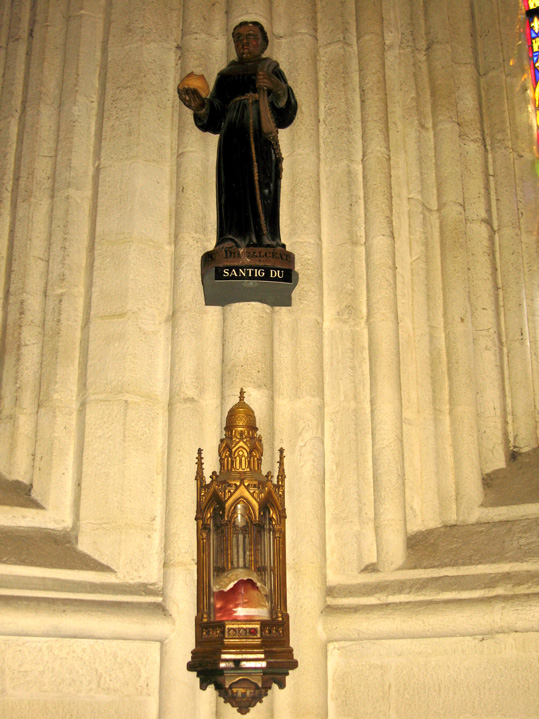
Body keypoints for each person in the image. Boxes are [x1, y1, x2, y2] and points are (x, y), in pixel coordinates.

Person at [178, 21, 298, 249]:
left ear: (263, 43)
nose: (244, 42)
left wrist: (278, 88)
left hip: (261, 138)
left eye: (251, 36)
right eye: (238, 37)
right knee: (232, 186)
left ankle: (266, 240)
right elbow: (216, 115)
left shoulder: (271, 69)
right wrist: (202, 107)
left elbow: (285, 113)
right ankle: (231, 237)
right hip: (231, 138)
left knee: (263, 185)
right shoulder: (226, 76)